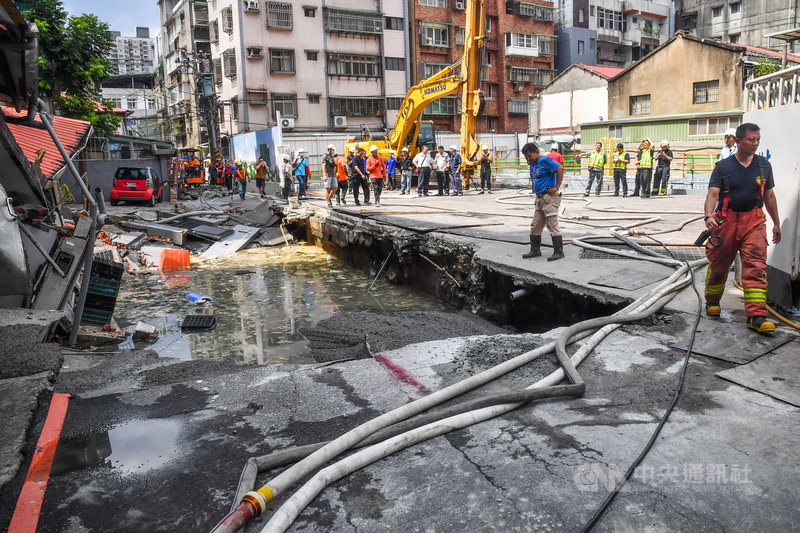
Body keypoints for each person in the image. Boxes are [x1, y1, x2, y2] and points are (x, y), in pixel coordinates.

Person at [703, 123, 781, 333]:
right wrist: (708, 216)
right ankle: (712, 301)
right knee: (719, 265)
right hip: (726, 221)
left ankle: (756, 316)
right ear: (738, 141)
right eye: (751, 140)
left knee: (755, 267)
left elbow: (769, 196)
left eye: (757, 140)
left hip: (754, 221)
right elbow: (712, 194)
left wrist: (776, 223)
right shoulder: (723, 167)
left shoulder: (764, 166)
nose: (755, 144)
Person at [521, 143, 565, 261]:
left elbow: (560, 168)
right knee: (535, 225)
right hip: (540, 198)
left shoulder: (545, 160)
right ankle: (535, 250)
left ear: (536, 151)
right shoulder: (534, 164)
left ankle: (558, 252)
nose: (528, 159)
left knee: (552, 224)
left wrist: (556, 187)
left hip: (549, 197)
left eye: (530, 156)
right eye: (526, 157)